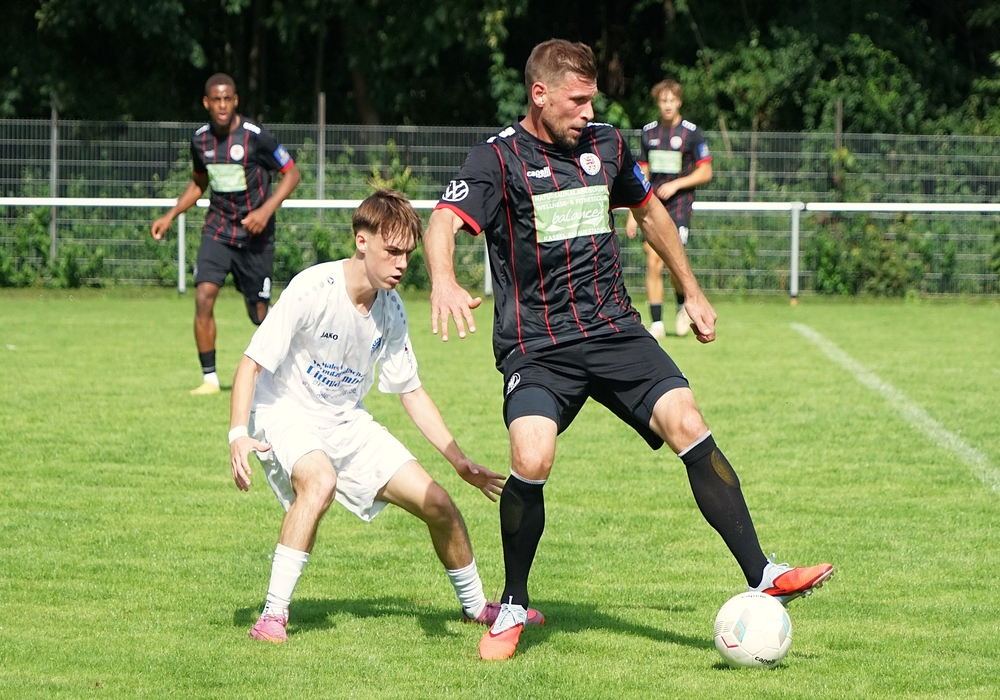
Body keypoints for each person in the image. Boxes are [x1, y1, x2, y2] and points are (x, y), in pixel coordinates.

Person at [424, 39, 832, 661]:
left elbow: (651, 213)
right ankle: (512, 603)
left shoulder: (608, 145)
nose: (588, 111)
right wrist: (444, 279)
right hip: (540, 345)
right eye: (577, 100)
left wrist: (691, 289)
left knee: (687, 420)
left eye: (592, 99)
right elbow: (443, 220)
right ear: (540, 94)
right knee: (531, 454)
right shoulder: (497, 158)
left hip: (614, 329)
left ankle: (763, 573)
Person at [228, 189, 543, 644]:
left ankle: (477, 607)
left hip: (346, 421)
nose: (401, 264)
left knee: (439, 505)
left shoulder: (390, 308)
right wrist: (238, 434)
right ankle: (272, 616)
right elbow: (250, 363)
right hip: (287, 412)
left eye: (408, 254)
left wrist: (458, 461)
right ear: (362, 241)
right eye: (392, 251)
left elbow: (410, 391)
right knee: (319, 482)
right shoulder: (312, 289)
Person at [151, 73, 301, 395]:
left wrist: (265, 211)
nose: (222, 105)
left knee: (258, 313)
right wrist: (170, 215)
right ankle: (210, 379)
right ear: (207, 103)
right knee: (203, 296)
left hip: (255, 237)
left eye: (227, 99)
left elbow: (292, 173)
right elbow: (199, 183)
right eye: (216, 99)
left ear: (235, 101)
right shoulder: (200, 141)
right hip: (218, 230)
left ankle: (290, 358)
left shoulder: (256, 137)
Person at [625, 79, 713, 339]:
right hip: (652, 206)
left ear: (679, 102)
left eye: (672, 100)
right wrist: (632, 213)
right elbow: (641, 173)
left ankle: (682, 303)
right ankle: (657, 323)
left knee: (675, 263)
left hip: (679, 207)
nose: (667, 105)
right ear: (658, 103)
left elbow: (705, 172)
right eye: (663, 100)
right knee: (653, 261)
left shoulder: (691, 133)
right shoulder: (648, 133)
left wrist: (676, 185)